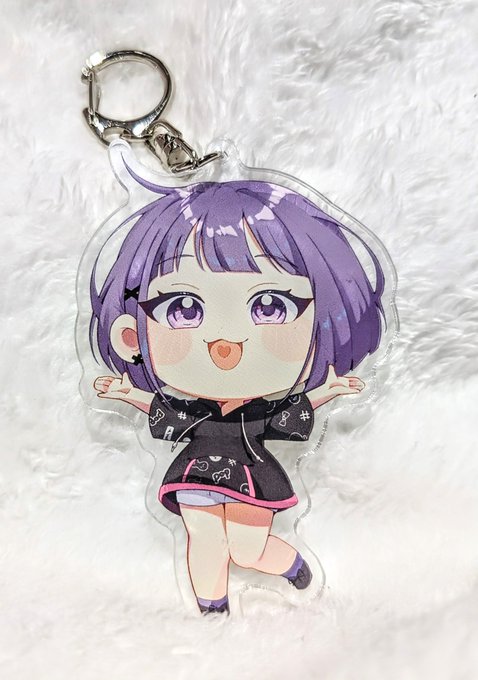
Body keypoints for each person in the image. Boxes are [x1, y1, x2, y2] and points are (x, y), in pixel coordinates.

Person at [90, 176, 385, 615]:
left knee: (247, 550)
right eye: (183, 307)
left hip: (254, 474)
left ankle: (289, 564)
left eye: (271, 306)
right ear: (132, 332)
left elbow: (291, 410)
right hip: (195, 474)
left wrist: (327, 390)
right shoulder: (193, 409)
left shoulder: (261, 411)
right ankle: (213, 609)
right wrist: (129, 393)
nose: (225, 339)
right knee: (204, 539)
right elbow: (165, 410)